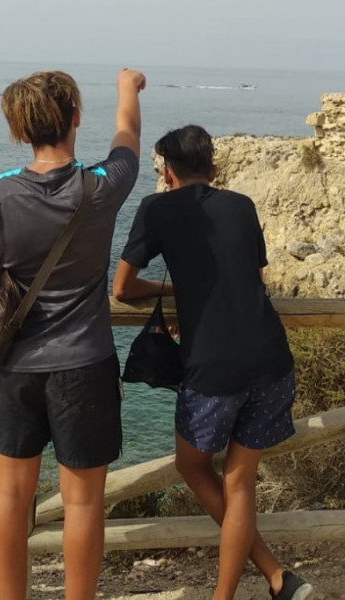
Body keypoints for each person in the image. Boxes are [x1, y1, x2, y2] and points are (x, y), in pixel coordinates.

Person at [113, 125, 313, 600]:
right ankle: (276, 579)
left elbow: (122, 287)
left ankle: (264, 579)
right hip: (270, 357)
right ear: (214, 168)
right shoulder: (241, 205)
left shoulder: (156, 208)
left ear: (166, 170)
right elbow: (245, 273)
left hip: (213, 365)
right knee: (240, 481)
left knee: (191, 466)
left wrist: (170, 289)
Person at [0, 67, 143, 600]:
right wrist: (126, 89)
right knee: (84, 502)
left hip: (17, 364)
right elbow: (128, 138)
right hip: (84, 363)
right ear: (74, 119)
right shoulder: (102, 186)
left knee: (10, 496)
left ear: (20, 131)